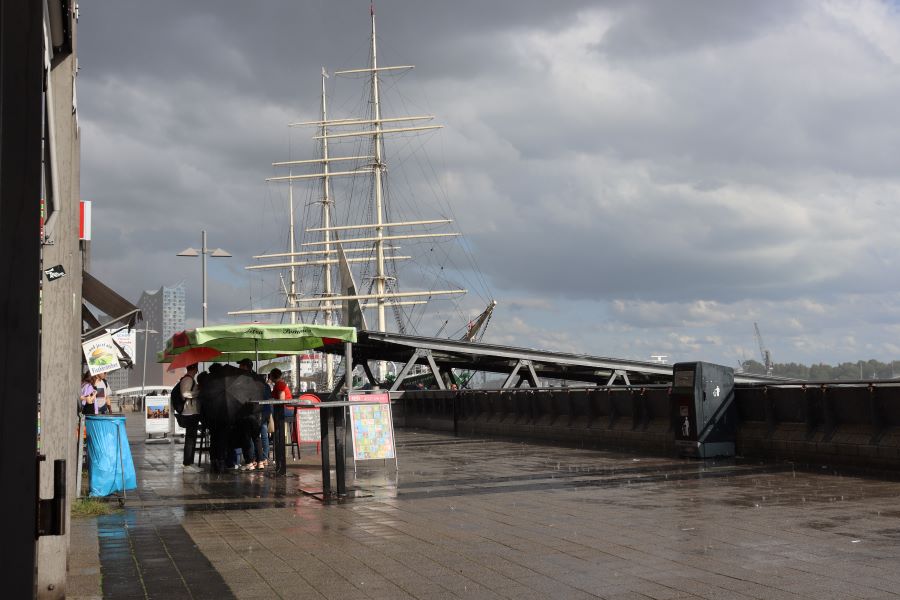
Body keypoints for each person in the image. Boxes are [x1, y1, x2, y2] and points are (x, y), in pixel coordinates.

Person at [237, 359, 265, 470]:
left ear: (245, 367)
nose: (238, 367)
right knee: (256, 437)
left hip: (246, 411)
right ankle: (260, 461)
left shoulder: (242, 380)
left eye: (240, 365)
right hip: (257, 411)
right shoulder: (258, 378)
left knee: (246, 437)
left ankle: (249, 462)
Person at [176, 364, 200, 466]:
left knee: (192, 439)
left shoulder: (189, 379)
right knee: (190, 439)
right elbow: (185, 394)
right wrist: (197, 392)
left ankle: (190, 462)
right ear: (195, 369)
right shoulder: (187, 379)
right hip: (189, 412)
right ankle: (188, 463)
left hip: (191, 412)